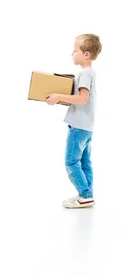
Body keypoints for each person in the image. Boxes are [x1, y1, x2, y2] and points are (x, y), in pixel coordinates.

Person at [46, 34, 102, 209]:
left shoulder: (85, 74)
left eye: (75, 50)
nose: (72, 53)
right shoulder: (88, 73)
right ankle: (87, 194)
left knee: (71, 161)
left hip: (78, 127)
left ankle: (85, 195)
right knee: (85, 162)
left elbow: (82, 98)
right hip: (86, 126)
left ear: (86, 54)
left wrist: (58, 97)